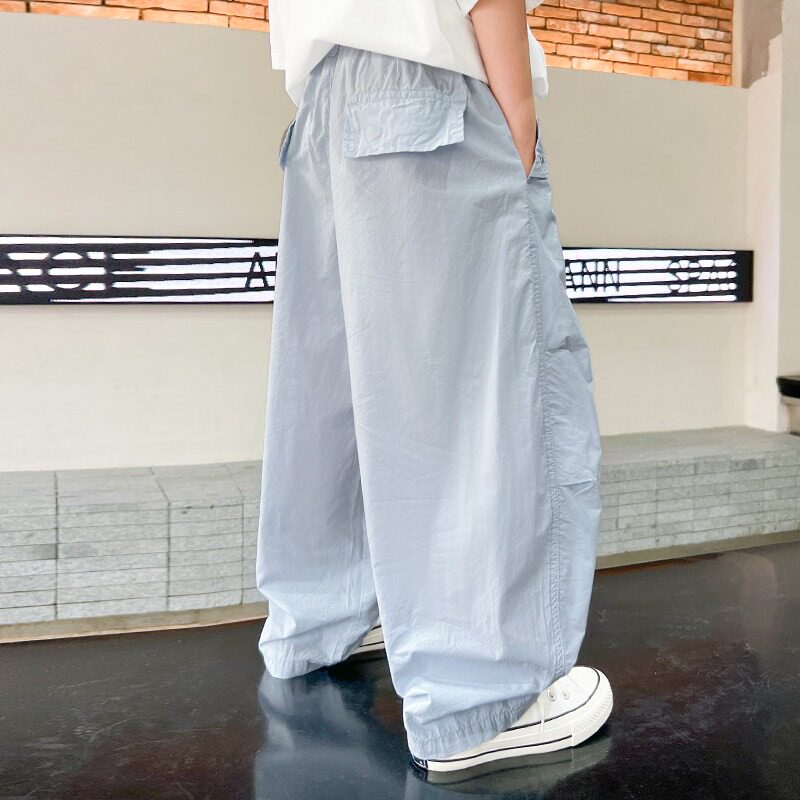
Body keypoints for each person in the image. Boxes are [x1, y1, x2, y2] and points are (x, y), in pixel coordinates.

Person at [256, 0, 613, 774]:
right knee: (478, 393)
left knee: (332, 388)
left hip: (324, 103)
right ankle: (481, 701)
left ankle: (317, 621)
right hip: (432, 89)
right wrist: (517, 120)